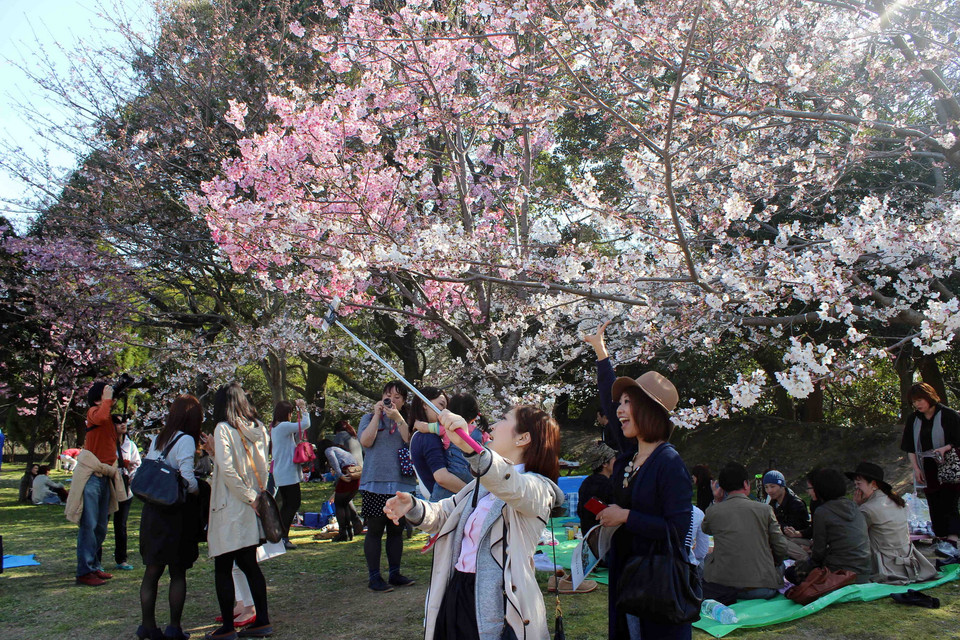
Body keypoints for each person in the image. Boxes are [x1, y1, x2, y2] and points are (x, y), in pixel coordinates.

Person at [384, 405, 564, 640]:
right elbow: (444, 514)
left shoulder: (540, 489)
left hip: (498, 603)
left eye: (503, 419)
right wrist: (413, 506)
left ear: (523, 438)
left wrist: (469, 446)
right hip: (458, 591)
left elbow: (511, 485)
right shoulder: (480, 486)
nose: (493, 426)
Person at [586, 319, 693, 640]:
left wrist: (626, 516)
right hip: (628, 572)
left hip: (658, 581)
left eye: (628, 403)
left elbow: (677, 531)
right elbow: (608, 398)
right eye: (621, 403)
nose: (618, 410)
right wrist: (599, 351)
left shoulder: (669, 463)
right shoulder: (629, 455)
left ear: (649, 411)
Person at [205, 382, 273, 640]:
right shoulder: (258, 429)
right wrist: (257, 495)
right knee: (248, 563)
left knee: (223, 565)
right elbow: (263, 467)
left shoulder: (223, 428)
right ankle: (262, 620)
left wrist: (248, 498)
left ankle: (228, 628)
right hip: (251, 504)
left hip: (232, 505)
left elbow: (229, 469)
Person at [137, 395, 205, 640]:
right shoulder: (185, 439)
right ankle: (174, 627)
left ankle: (147, 626)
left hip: (152, 511)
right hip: (174, 513)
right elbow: (187, 477)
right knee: (177, 572)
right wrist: (198, 490)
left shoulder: (159, 437)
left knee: (152, 570)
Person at [357, 381, 417, 592]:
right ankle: (374, 577)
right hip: (375, 482)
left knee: (396, 530)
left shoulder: (408, 420)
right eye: (388, 395)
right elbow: (366, 442)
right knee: (374, 529)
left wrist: (398, 419)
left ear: (403, 402)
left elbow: (409, 440)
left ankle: (395, 573)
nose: (391, 400)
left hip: (401, 483)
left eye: (397, 397)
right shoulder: (368, 418)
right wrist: (376, 416)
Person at [66, 381, 127, 587]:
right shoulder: (93, 412)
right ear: (97, 398)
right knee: (89, 525)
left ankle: (94, 565)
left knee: (100, 526)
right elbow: (101, 416)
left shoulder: (108, 418)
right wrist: (107, 398)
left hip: (105, 476)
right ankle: (84, 571)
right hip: (92, 475)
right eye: (106, 394)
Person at [701, 462, 788, 604]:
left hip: (722, 586)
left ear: (722, 489)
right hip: (761, 587)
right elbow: (781, 547)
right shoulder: (764, 510)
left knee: (706, 560)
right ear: (746, 484)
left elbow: (706, 529)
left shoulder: (713, 511)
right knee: (781, 566)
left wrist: (717, 500)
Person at [849, 461, 937, 584]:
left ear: (873, 484)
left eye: (859, 484)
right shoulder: (896, 501)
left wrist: (856, 506)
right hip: (908, 561)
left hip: (885, 565)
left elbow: (853, 535)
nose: (856, 488)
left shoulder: (868, 508)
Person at [785, 468, 872, 585]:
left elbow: (818, 555)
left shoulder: (823, 512)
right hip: (864, 572)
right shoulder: (854, 506)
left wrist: (804, 563)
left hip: (840, 574)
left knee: (791, 572)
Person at [900, 382, 960, 545]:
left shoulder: (948, 414)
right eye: (914, 401)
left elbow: (957, 440)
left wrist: (944, 448)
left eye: (920, 400)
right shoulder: (914, 419)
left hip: (949, 462)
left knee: (949, 500)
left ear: (929, 397)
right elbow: (910, 447)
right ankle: (940, 535)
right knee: (933, 500)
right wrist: (916, 468)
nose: (917, 404)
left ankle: (953, 537)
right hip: (926, 464)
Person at [409, 387, 462, 501]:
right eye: (441, 404)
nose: (444, 411)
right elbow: (442, 477)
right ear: (425, 404)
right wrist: (475, 492)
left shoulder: (418, 436)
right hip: (443, 502)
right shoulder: (428, 437)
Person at [269, 398, 309, 550]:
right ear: (287, 413)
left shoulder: (275, 427)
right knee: (292, 504)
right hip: (287, 472)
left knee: (287, 504)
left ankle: (280, 535)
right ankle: (283, 536)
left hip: (281, 470)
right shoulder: (284, 426)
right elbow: (305, 424)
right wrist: (304, 409)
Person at [319, 439, 365, 542]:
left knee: (339, 504)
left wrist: (340, 475)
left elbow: (334, 462)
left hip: (346, 475)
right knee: (345, 503)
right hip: (355, 476)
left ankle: (343, 532)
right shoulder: (341, 450)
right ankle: (350, 531)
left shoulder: (328, 450)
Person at [113, 417, 142, 570]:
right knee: (101, 525)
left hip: (126, 489)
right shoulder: (107, 443)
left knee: (121, 525)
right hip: (109, 487)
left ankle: (121, 559)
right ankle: (95, 560)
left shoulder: (130, 445)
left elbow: (137, 464)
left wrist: (132, 475)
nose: (122, 424)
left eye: (124, 421)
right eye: (118, 422)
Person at [577, 442, 616, 532]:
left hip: (588, 534)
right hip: (602, 535)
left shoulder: (586, 482)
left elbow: (581, 510)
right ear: (605, 464)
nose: (616, 461)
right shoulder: (606, 484)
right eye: (614, 458)